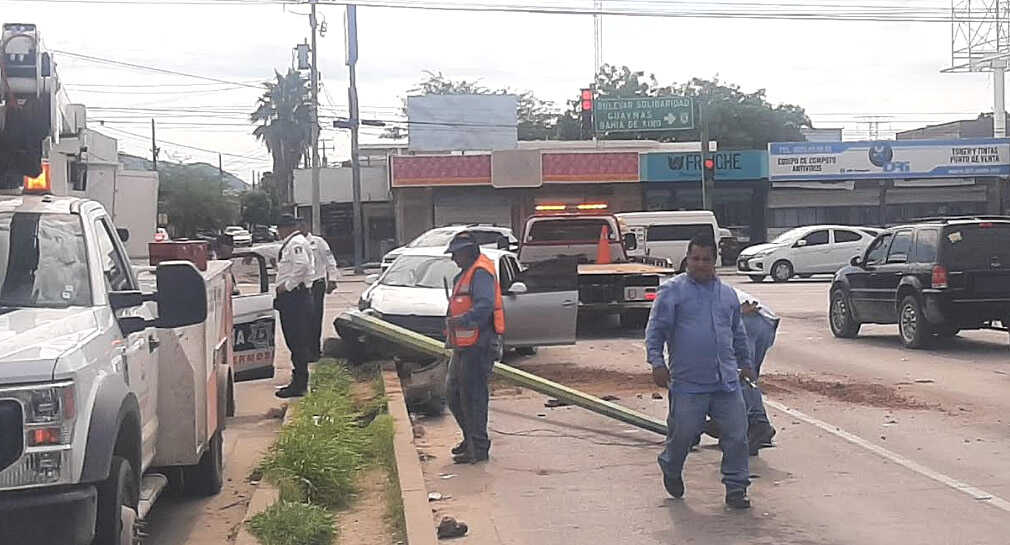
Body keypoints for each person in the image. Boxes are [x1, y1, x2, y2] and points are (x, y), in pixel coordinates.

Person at [645, 233, 756, 509]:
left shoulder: (727, 294)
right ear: (687, 259)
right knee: (683, 434)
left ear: (715, 262)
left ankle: (736, 488)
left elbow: (737, 333)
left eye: (706, 259)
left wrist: (746, 362)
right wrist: (657, 363)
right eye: (695, 258)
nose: (700, 264)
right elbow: (655, 330)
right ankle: (671, 466)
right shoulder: (673, 292)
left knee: (736, 435)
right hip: (688, 382)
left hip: (726, 381)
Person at [444, 231, 505, 464]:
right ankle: (471, 438)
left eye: (455, 254)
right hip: (465, 345)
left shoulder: (480, 272)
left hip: (479, 344)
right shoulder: (468, 272)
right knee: (454, 394)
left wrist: (461, 321)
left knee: (473, 397)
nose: (453, 259)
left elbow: (484, 306)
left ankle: (478, 446)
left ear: (468, 252)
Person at [702, 288, 779, 455]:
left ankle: (756, 425)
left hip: (745, 319)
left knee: (737, 376)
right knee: (747, 377)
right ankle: (749, 425)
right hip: (765, 320)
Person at [273, 214, 315, 399]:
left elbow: (302, 265)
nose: (278, 232)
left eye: (279, 229)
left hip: (295, 297)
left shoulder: (295, 243)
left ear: (286, 228)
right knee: (295, 341)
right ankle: (298, 380)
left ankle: (300, 384)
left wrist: (287, 286)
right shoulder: (294, 242)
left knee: (296, 340)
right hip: (294, 297)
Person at [301, 220, 340, 362]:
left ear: (308, 227)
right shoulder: (294, 243)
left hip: (317, 284)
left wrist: (333, 279)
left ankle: (314, 351)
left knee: (315, 317)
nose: (301, 228)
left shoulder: (318, 242)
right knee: (302, 320)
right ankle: (304, 351)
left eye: (303, 225)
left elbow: (330, 261)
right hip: (302, 286)